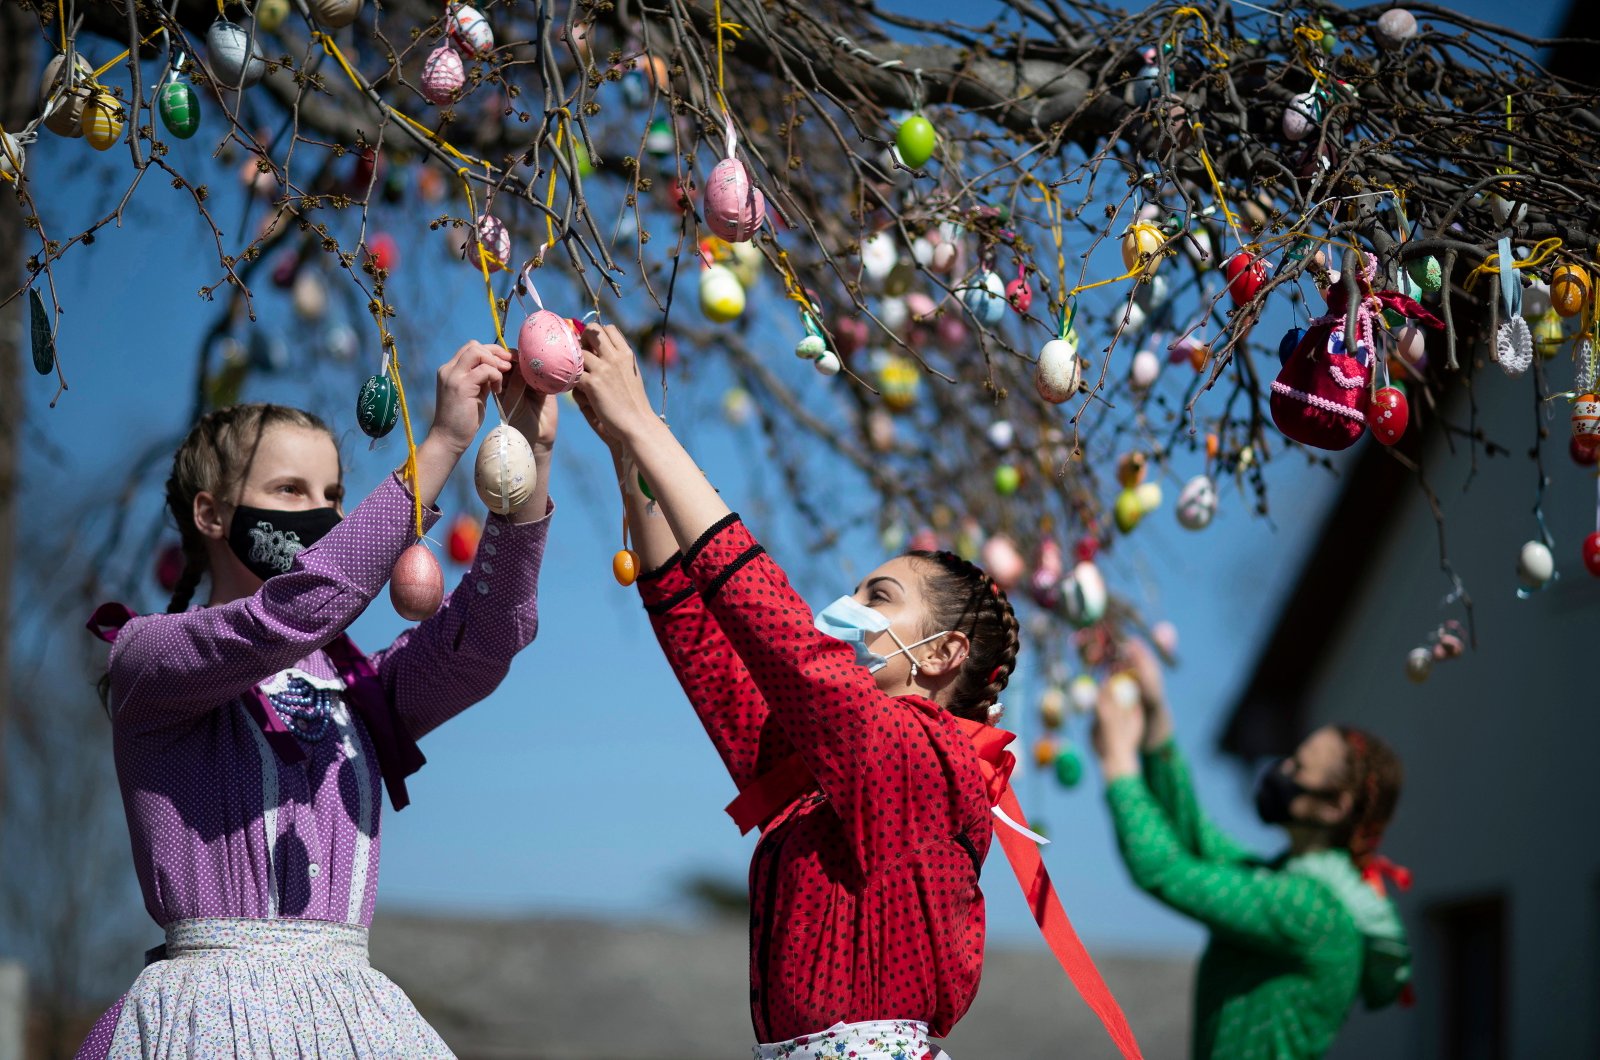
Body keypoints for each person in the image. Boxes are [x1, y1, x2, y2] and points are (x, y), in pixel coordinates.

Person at [571, 324, 1141, 1060]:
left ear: (942, 653)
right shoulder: (820, 777)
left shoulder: (929, 763)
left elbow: (780, 636)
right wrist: (627, 449)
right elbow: (706, 647)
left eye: (880, 596)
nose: (849, 609)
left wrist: (647, 425)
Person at [76, 342, 555, 1059]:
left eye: (333, 496)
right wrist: (446, 442)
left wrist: (528, 453)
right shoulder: (151, 658)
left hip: (353, 1014)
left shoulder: (357, 689)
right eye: (291, 491)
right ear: (210, 513)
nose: (322, 514)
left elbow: (489, 635)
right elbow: (300, 609)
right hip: (211, 1017)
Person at [1091, 639, 1412, 1060]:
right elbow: (1197, 837)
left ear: (1336, 807)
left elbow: (1164, 869)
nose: (1281, 770)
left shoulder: (1313, 910)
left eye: (1299, 767)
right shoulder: (1286, 877)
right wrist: (1156, 718)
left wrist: (1118, 762)